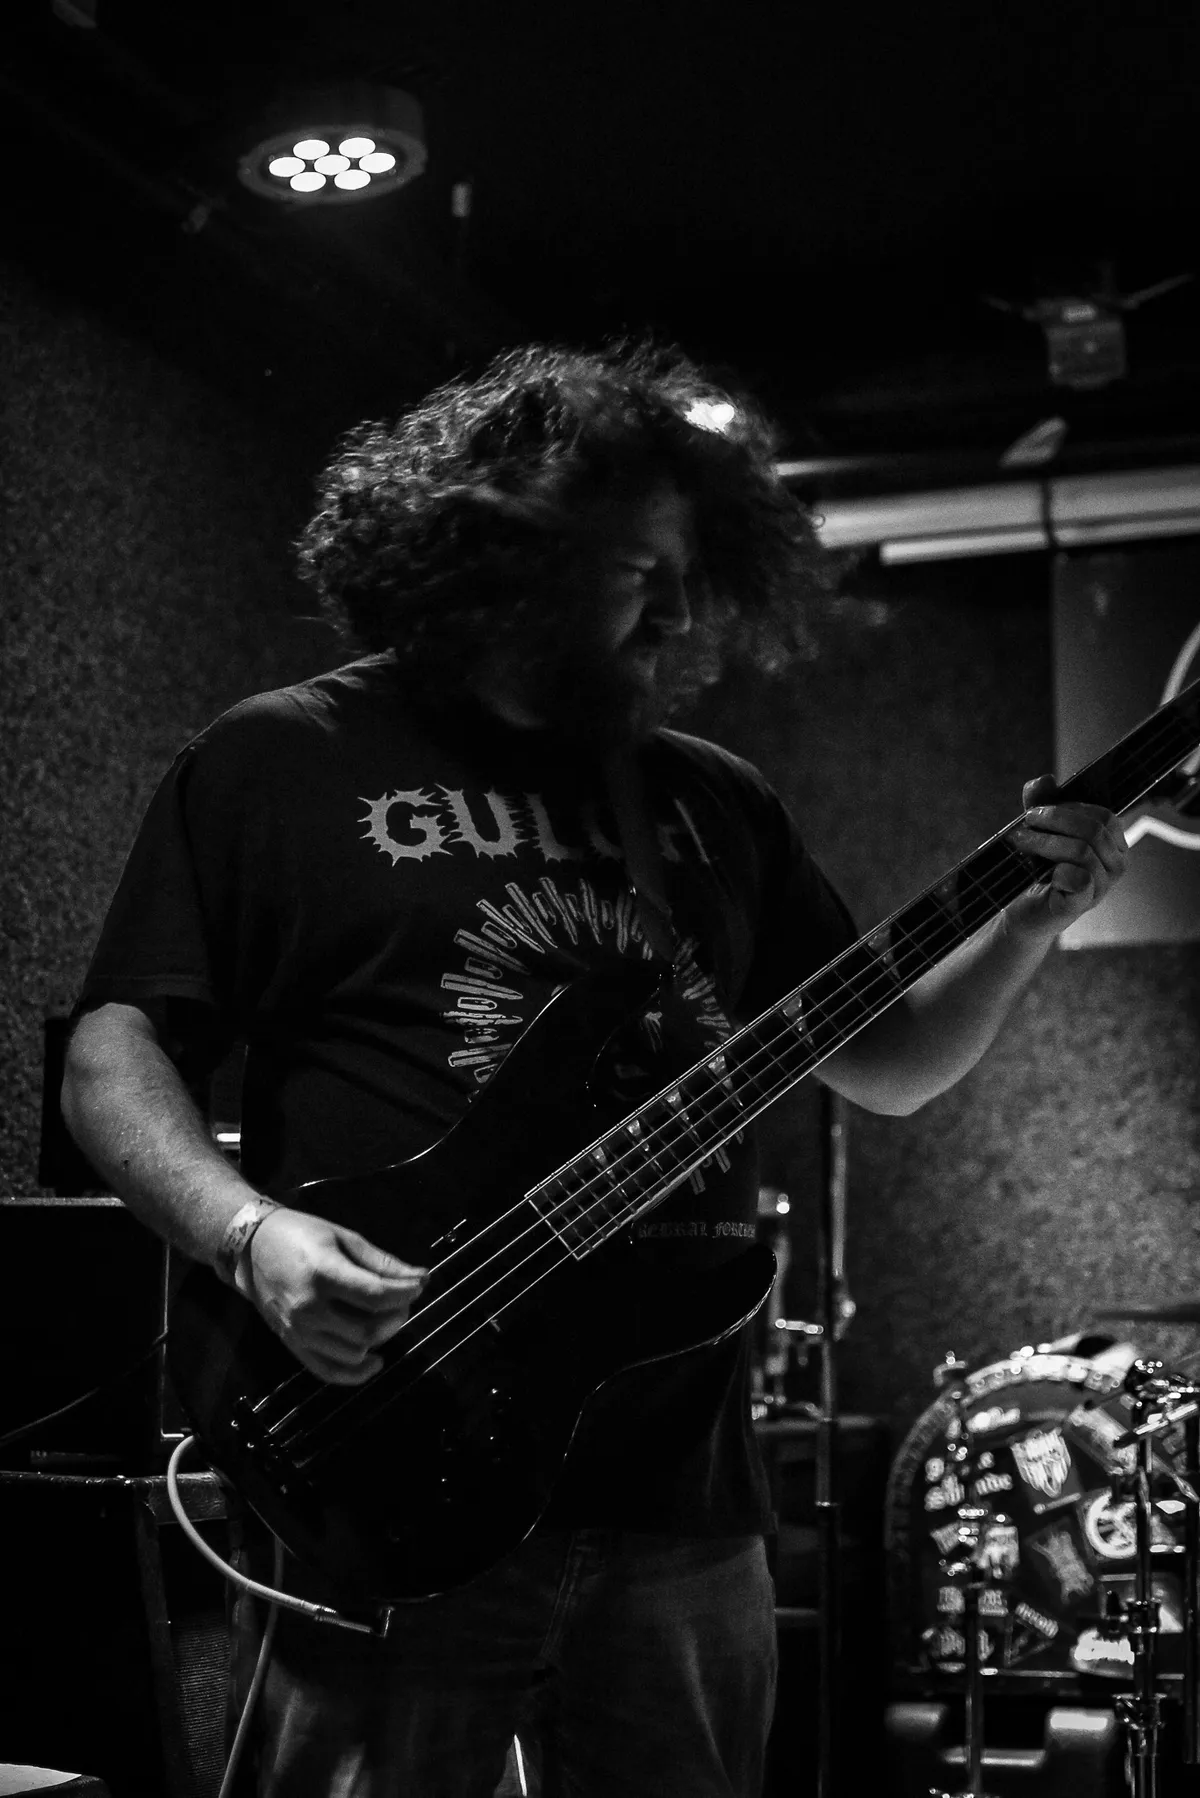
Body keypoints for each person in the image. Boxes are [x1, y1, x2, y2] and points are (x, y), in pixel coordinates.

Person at [61, 341, 1128, 1798]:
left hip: (678, 1491)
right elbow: (113, 1053)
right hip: (384, 1446)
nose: (679, 613)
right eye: (638, 571)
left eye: (690, 572)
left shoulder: (709, 797)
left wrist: (1025, 925)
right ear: (498, 559)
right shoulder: (282, 760)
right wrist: (247, 1236)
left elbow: (885, 1062)